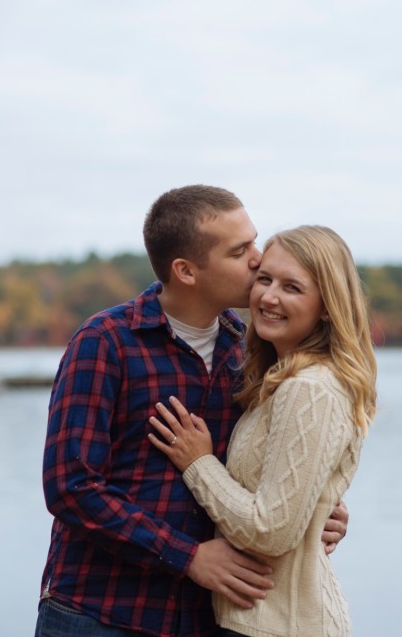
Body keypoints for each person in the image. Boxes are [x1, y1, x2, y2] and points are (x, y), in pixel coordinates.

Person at [36, 186, 348, 637]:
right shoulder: (105, 342)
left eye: (254, 242)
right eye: (240, 251)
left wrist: (318, 507)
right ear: (185, 270)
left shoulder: (249, 351)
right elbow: (71, 487)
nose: (258, 259)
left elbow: (263, 466)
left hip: (205, 619)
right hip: (98, 613)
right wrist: (188, 556)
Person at [148, 225, 377, 637]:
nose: (269, 297)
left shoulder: (310, 389)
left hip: (283, 625)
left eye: (292, 287)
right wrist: (320, 513)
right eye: (265, 279)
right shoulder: (278, 380)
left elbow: (270, 530)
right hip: (257, 621)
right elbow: (290, 498)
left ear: (327, 305)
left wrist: (198, 463)